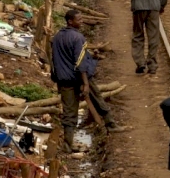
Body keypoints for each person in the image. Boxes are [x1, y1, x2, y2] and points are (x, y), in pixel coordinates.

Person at [51, 10, 125, 152]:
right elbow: (80, 62)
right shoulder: (78, 38)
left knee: (69, 111)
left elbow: (55, 59)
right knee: (97, 99)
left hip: (64, 80)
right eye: (78, 19)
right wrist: (85, 83)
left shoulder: (57, 37)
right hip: (80, 77)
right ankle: (111, 125)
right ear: (70, 21)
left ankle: (68, 143)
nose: (82, 21)